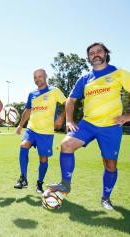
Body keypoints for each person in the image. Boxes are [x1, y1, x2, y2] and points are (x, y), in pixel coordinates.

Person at [47, 42, 130, 210]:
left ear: (106, 53)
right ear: (89, 58)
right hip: (88, 124)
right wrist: (69, 120)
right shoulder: (85, 79)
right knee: (66, 145)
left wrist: (128, 116)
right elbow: (71, 100)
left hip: (111, 126)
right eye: (92, 53)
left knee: (110, 164)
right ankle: (65, 184)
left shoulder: (118, 73)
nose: (96, 54)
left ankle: (106, 198)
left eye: (99, 51)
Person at [14, 69, 66, 193]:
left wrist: (61, 117)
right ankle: (23, 178)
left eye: (40, 76)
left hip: (46, 133)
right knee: (23, 146)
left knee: (43, 159)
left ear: (45, 77)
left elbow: (67, 103)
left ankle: (39, 183)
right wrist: (20, 125)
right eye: (35, 77)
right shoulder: (32, 94)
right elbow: (27, 110)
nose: (38, 79)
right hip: (31, 129)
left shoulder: (54, 91)